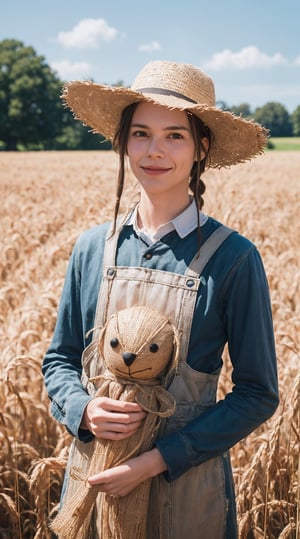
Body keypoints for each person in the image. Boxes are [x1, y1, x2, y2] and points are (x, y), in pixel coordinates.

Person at [42, 60, 279, 538]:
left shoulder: (233, 258)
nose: (154, 151)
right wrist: (83, 410)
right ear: (123, 142)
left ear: (201, 148)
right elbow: (59, 360)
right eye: (140, 133)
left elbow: (258, 394)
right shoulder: (92, 247)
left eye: (174, 135)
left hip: (187, 493)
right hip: (94, 482)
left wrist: (154, 461)